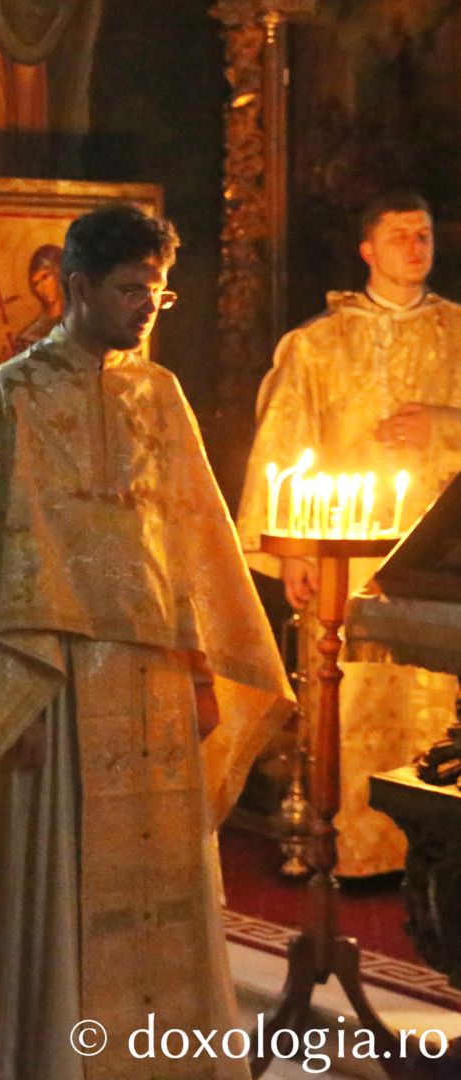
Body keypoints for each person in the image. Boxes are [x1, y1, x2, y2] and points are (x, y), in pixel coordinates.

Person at [0, 204, 293, 1080]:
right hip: (61, 682)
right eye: (129, 290)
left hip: (153, 678)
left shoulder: (159, 394)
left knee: (163, 886)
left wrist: (201, 668)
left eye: (157, 291)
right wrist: (12, 701)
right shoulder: (8, 397)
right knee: (64, 887)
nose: (147, 307)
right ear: (77, 287)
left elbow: (187, 543)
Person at [235, 191, 461, 877]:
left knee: (440, 695)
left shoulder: (459, 331)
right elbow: (283, 446)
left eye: (423, 235)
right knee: (348, 692)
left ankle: (440, 857)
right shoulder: (317, 344)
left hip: (444, 556)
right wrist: (297, 547)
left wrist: (444, 423)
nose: (415, 248)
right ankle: (347, 848)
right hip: (349, 553)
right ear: (368, 249)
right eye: (399, 236)